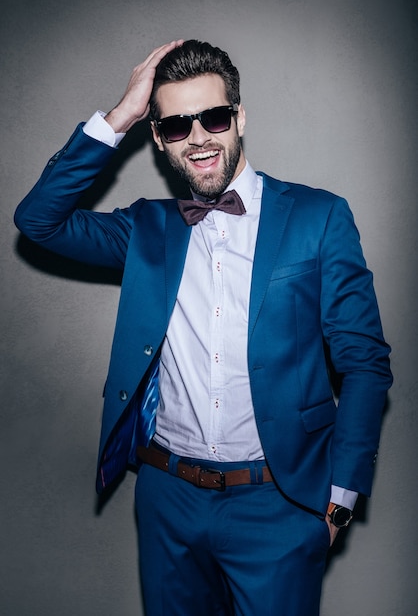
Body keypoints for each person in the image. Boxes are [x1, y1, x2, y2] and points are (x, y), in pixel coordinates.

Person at [14, 39, 392, 616]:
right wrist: (120, 116)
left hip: (280, 502)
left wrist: (340, 500)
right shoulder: (146, 227)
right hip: (169, 499)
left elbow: (364, 363)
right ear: (159, 138)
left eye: (213, 117)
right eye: (176, 126)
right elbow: (37, 220)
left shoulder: (318, 216)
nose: (198, 137)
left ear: (239, 117)